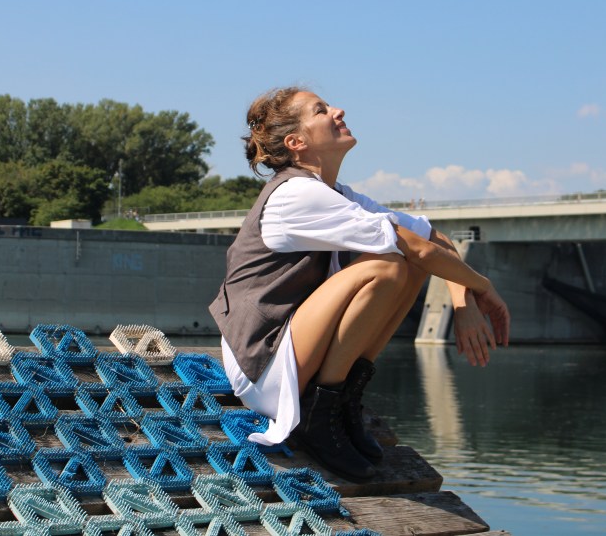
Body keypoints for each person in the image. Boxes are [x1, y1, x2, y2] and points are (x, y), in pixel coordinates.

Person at [208, 87, 510, 482]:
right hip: (262, 365)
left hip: (291, 347)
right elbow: (418, 247)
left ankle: (342, 399)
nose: (338, 111)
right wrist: (484, 288)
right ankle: (319, 414)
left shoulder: (337, 195)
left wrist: (463, 300)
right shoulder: (295, 195)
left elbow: (433, 238)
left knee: (406, 264)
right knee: (387, 266)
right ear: (296, 142)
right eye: (321, 110)